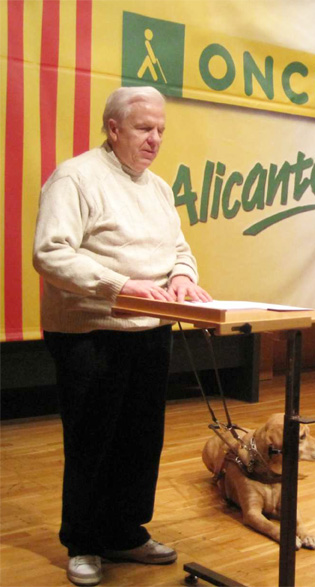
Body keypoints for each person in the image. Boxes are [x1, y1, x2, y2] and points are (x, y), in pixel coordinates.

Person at [33, 86, 212, 586]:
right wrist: (118, 284)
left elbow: (180, 247)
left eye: (160, 130)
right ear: (114, 129)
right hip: (91, 331)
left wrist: (181, 276)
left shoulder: (157, 187)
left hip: (150, 329)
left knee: (140, 439)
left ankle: (126, 531)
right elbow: (50, 253)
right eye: (144, 129)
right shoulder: (76, 177)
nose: (155, 139)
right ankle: (84, 543)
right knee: (94, 440)